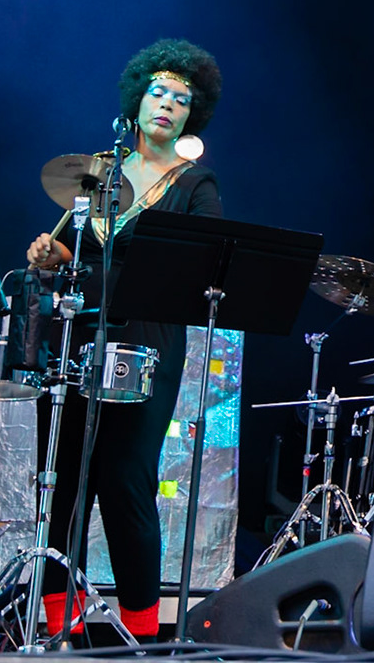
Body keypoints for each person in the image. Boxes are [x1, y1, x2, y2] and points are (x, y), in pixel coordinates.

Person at [24, 39, 223, 640]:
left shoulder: (196, 184)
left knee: (125, 483)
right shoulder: (97, 171)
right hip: (77, 335)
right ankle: (59, 632)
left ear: (191, 116)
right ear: (137, 100)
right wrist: (55, 256)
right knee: (60, 483)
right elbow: (78, 253)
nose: (167, 105)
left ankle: (145, 635)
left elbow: (203, 265)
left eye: (181, 100)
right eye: (158, 92)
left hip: (146, 340)